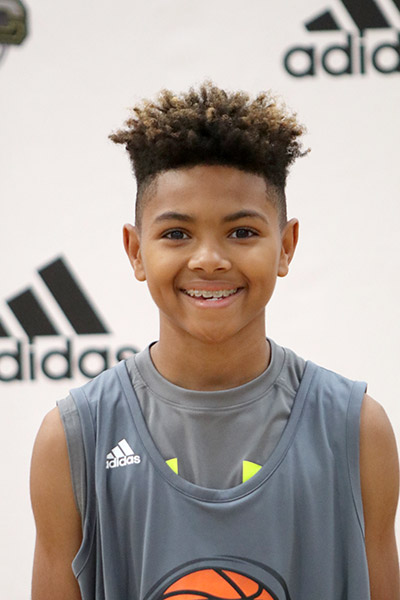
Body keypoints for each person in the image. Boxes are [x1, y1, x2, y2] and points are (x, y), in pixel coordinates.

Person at [30, 82, 400, 600]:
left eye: (242, 232)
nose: (209, 260)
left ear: (286, 246)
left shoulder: (357, 430)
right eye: (177, 234)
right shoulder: (73, 439)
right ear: (136, 251)